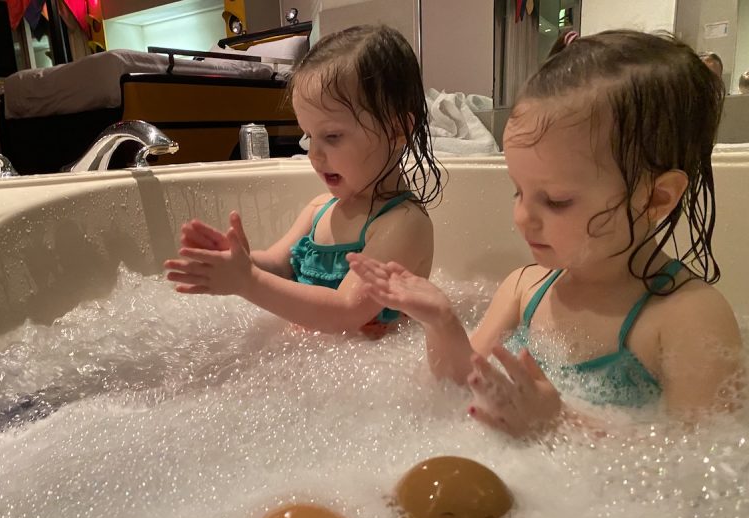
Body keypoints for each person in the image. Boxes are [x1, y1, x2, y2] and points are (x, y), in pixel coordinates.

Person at [349, 30, 743, 436]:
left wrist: (558, 426)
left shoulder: (687, 316)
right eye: (519, 191)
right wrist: (442, 322)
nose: (522, 217)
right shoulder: (525, 288)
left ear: (656, 198)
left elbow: (702, 461)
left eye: (555, 201)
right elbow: (463, 386)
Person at [164, 24, 442, 334]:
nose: (314, 154)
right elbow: (277, 265)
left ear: (396, 130)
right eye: (309, 136)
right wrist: (240, 262)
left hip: (370, 370)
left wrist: (248, 281)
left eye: (332, 136)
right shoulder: (319, 209)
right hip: (313, 366)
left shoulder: (403, 224)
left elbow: (347, 311)